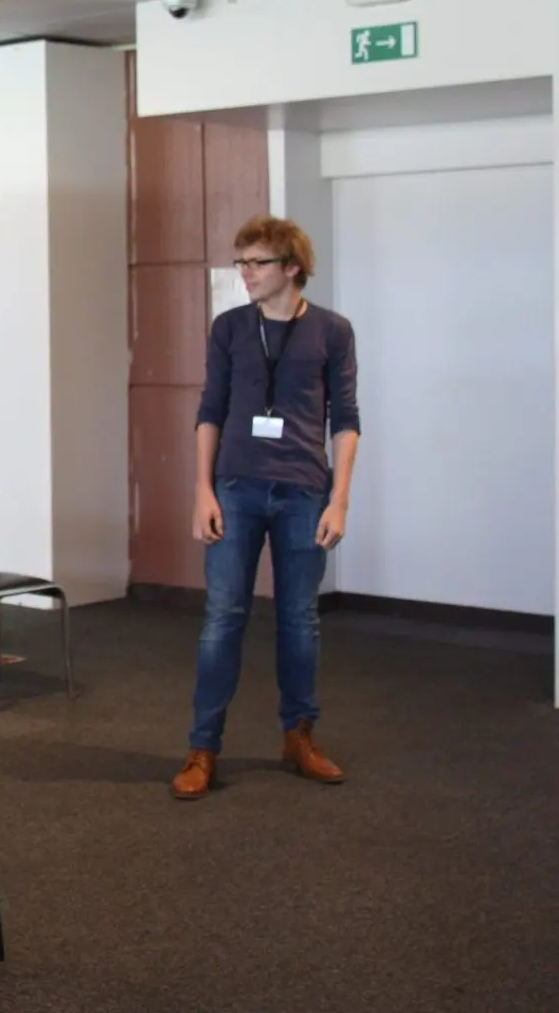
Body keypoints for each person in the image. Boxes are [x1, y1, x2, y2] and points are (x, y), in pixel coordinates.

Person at [173, 215, 361, 801]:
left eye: (257, 263)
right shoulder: (230, 328)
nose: (246, 273)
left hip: (304, 491)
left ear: (292, 268)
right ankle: (203, 747)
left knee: (300, 620)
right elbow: (211, 409)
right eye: (242, 263)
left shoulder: (332, 331)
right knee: (222, 617)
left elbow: (346, 421)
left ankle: (299, 734)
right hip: (236, 487)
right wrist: (202, 490)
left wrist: (339, 500)